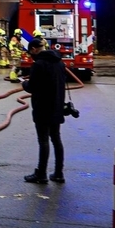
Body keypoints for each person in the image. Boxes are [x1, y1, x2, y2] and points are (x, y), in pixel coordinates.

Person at [20, 49, 67, 184]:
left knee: (43, 140)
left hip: (42, 108)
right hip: (57, 107)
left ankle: (41, 174)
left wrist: (24, 83)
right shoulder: (59, 63)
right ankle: (59, 173)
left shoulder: (38, 65)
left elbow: (32, 87)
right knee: (56, 139)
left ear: (34, 50)